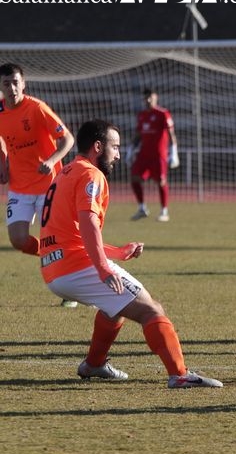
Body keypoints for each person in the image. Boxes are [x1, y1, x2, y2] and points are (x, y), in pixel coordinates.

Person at [39, 119, 221, 388]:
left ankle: (94, 364)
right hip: (75, 266)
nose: (119, 154)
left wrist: (117, 253)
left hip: (54, 267)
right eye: (115, 147)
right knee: (151, 309)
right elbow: (88, 222)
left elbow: (73, 234)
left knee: (116, 308)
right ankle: (179, 375)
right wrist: (103, 268)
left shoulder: (67, 172)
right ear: (98, 147)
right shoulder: (91, 175)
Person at [0, 62, 77, 308]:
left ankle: (71, 290)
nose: (11, 88)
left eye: (15, 82)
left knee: (54, 238)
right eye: (6, 83)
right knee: (19, 240)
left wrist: (53, 160)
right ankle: (53, 256)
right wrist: (3, 163)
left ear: (24, 83)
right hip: (19, 187)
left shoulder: (37, 108)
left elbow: (67, 138)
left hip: (49, 185)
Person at [128, 88, 179, 222]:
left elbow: (171, 133)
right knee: (134, 177)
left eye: (150, 97)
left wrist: (173, 151)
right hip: (144, 154)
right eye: (146, 98)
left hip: (158, 155)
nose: (148, 100)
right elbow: (138, 135)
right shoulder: (142, 115)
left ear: (156, 97)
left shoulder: (163, 114)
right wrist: (130, 149)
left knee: (161, 181)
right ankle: (142, 208)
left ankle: (164, 211)